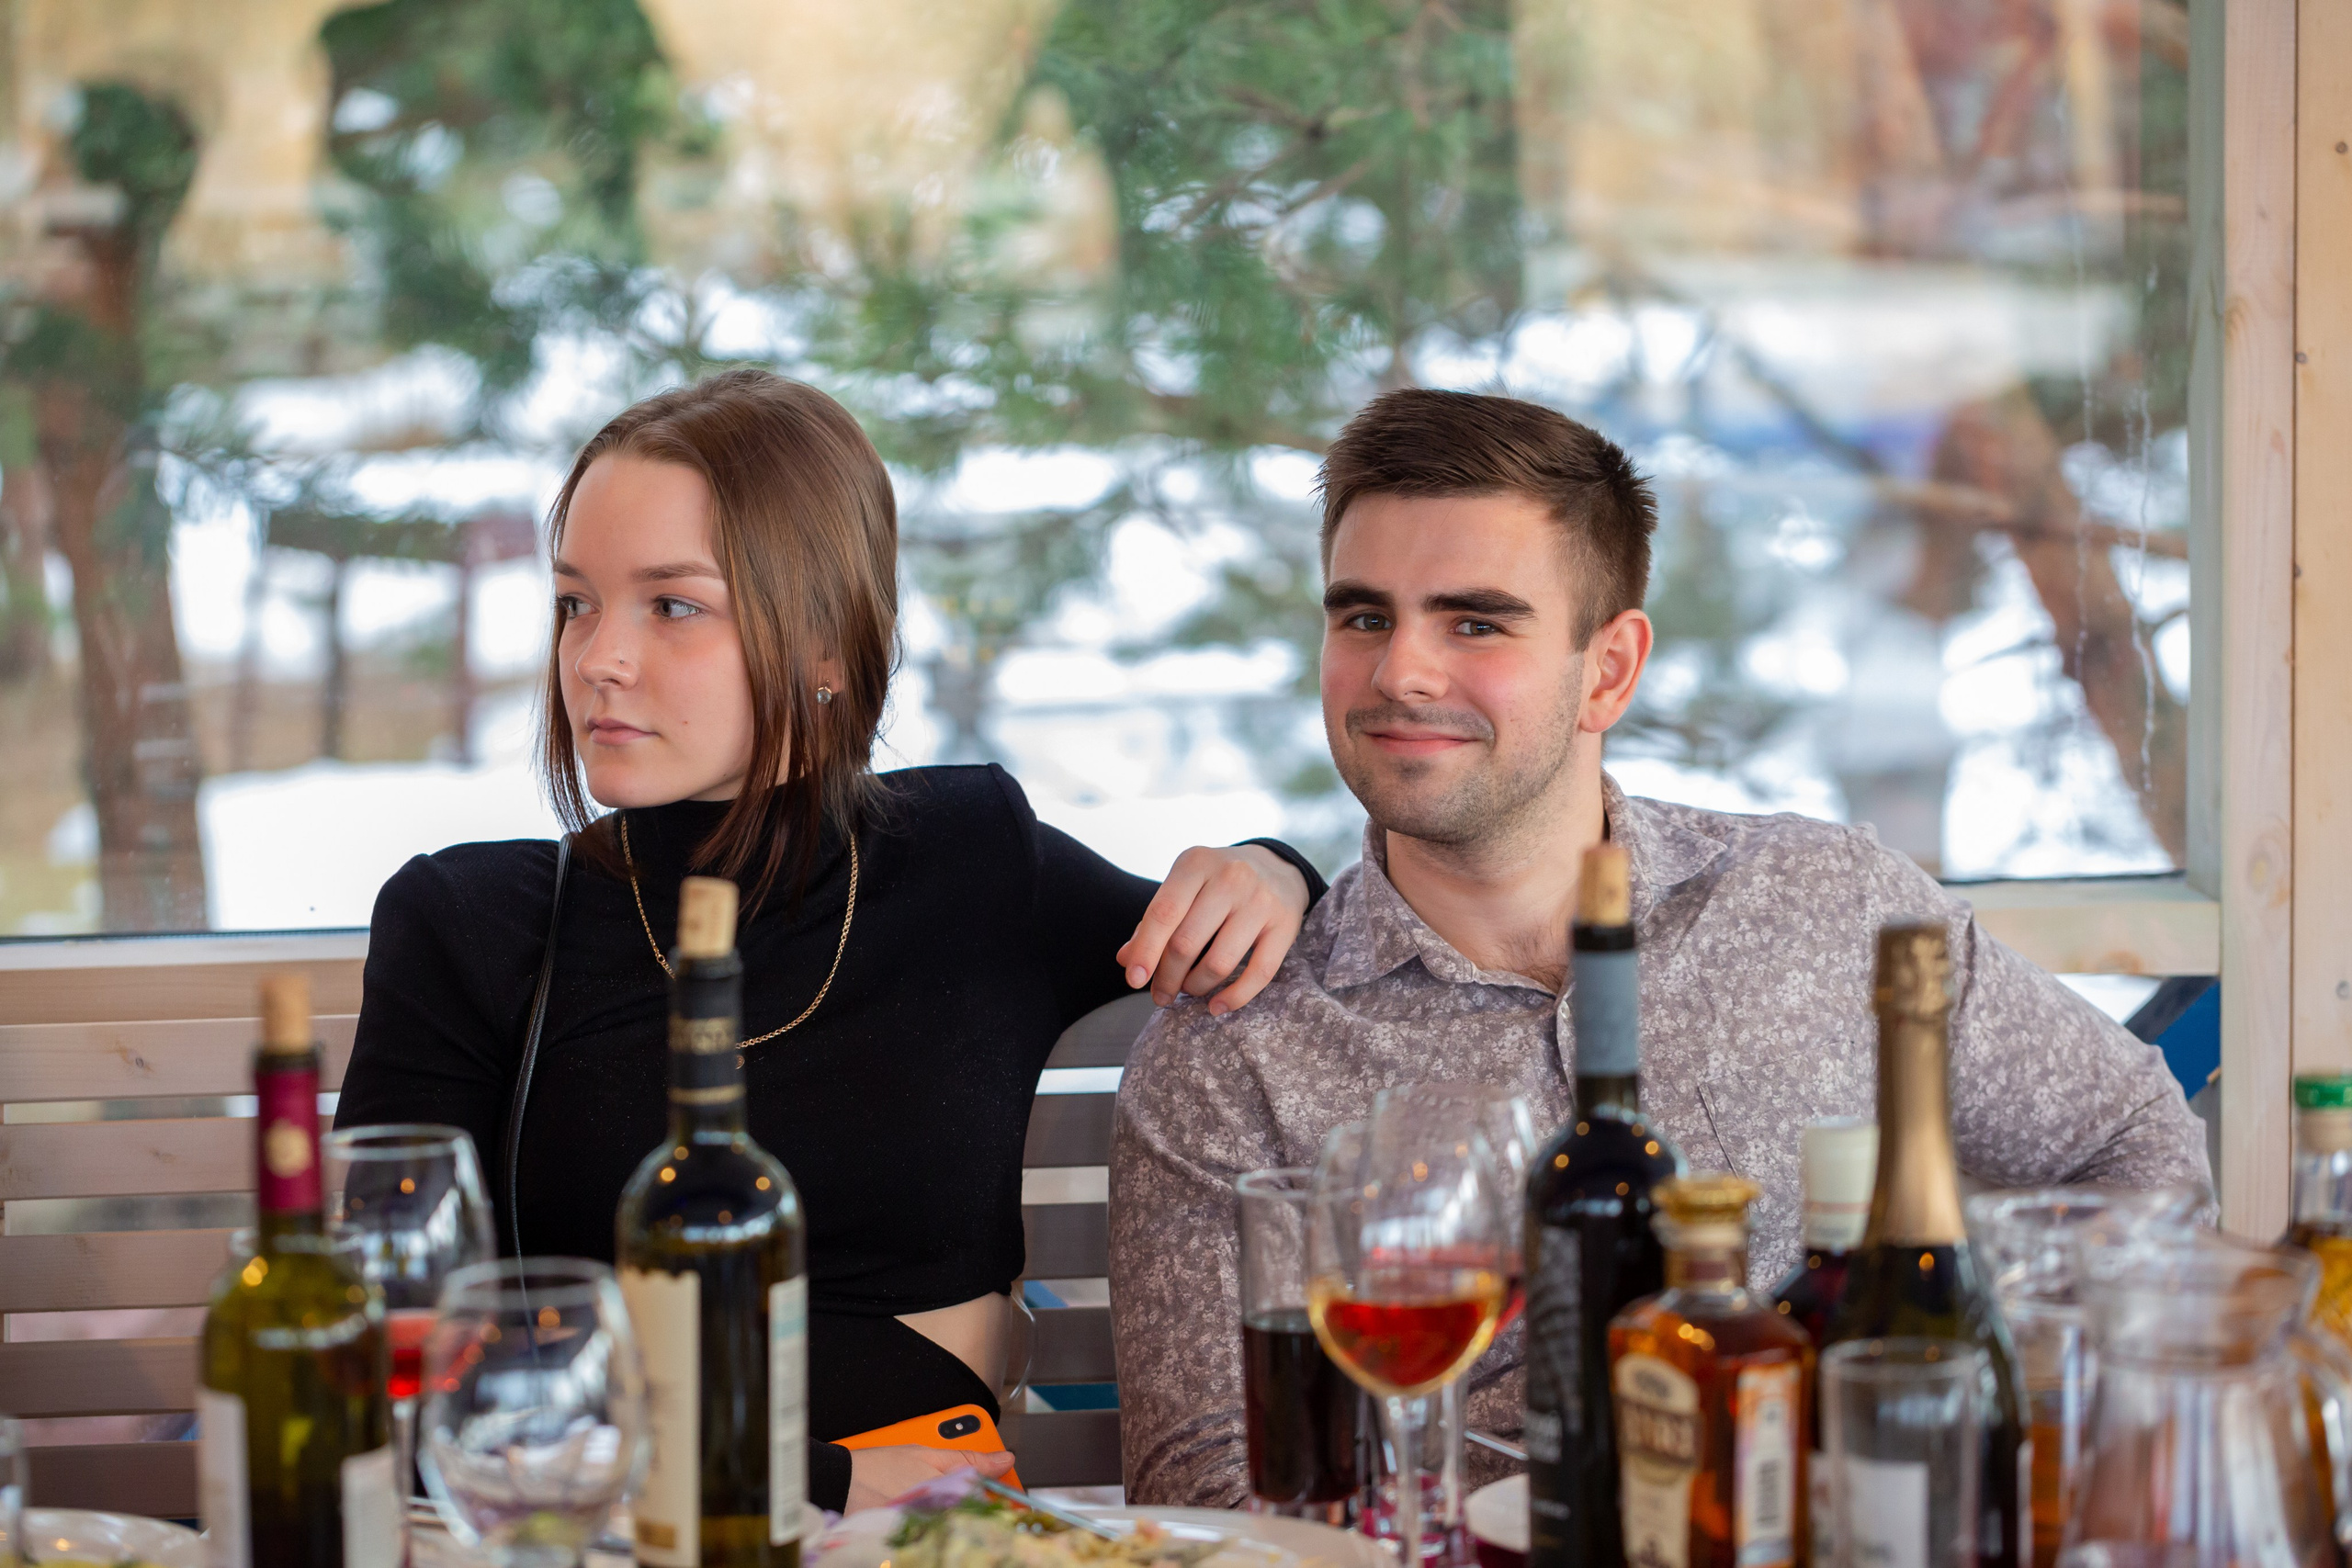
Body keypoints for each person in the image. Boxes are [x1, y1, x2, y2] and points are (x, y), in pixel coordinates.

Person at [1108, 388, 2212, 1506]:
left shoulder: (1824, 904)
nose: (1401, 673)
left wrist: (1952, 1381)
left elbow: (2130, 1143)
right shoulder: (1233, 1044)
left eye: (1475, 622)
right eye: (1362, 617)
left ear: (1610, 670)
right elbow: (1202, 1490)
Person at [334, 369, 1329, 1513]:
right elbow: (388, 1381)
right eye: (575, 602)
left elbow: (1232, 926)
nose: (598, 657)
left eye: (671, 606)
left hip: (935, 1537)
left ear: (825, 645)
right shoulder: (469, 921)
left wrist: (1273, 866)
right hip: (619, 1531)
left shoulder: (973, 858)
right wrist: (816, 1483)